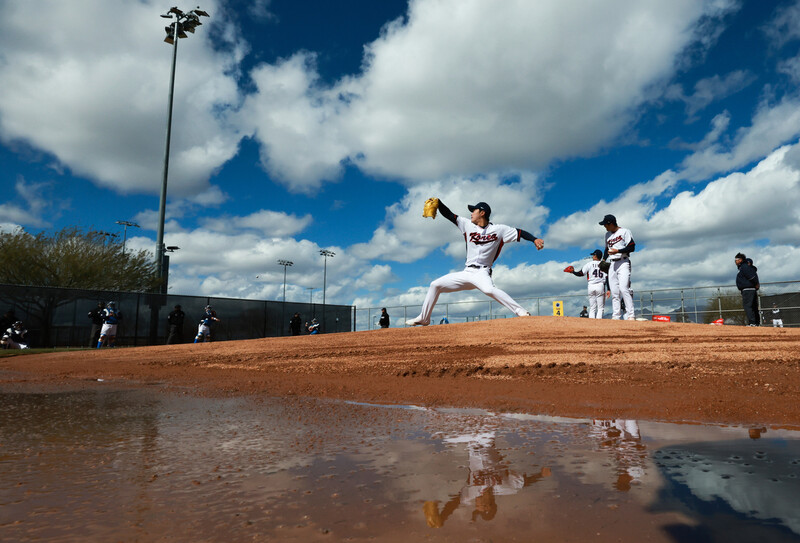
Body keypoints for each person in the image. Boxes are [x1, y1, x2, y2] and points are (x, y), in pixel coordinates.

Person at [406, 200, 544, 326]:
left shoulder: (499, 230)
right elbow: (449, 215)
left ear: (482, 213)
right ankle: (424, 318)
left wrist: (534, 239)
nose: (471, 213)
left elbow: (520, 232)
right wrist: (439, 203)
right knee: (435, 285)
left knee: (489, 289)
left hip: (482, 273)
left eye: (474, 211)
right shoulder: (467, 225)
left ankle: (522, 313)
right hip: (467, 272)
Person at [599, 214, 635, 320]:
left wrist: (618, 250)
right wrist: (604, 260)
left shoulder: (625, 231)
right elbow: (607, 250)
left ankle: (631, 314)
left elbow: (632, 247)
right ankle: (616, 316)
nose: (604, 226)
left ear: (610, 223)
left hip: (623, 262)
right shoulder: (607, 235)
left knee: (624, 289)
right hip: (612, 263)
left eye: (605, 224)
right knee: (614, 292)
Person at [565, 249, 609, 319]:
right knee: (600, 308)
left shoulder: (589, 264)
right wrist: (609, 289)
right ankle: (598, 324)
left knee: (592, 307)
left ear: (596, 256)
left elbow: (580, 273)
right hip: (600, 285)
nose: (592, 256)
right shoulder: (604, 264)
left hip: (591, 286)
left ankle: (591, 324)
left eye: (593, 255)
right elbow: (607, 277)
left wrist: (573, 272)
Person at [735, 253, 760, 326]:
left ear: (740, 260)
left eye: (736, 260)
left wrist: (756, 284)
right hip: (750, 289)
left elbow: (752, 277)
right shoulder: (744, 267)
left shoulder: (744, 267)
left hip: (748, 289)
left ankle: (752, 322)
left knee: (748, 306)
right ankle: (756, 322)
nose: (735, 262)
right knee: (753, 306)